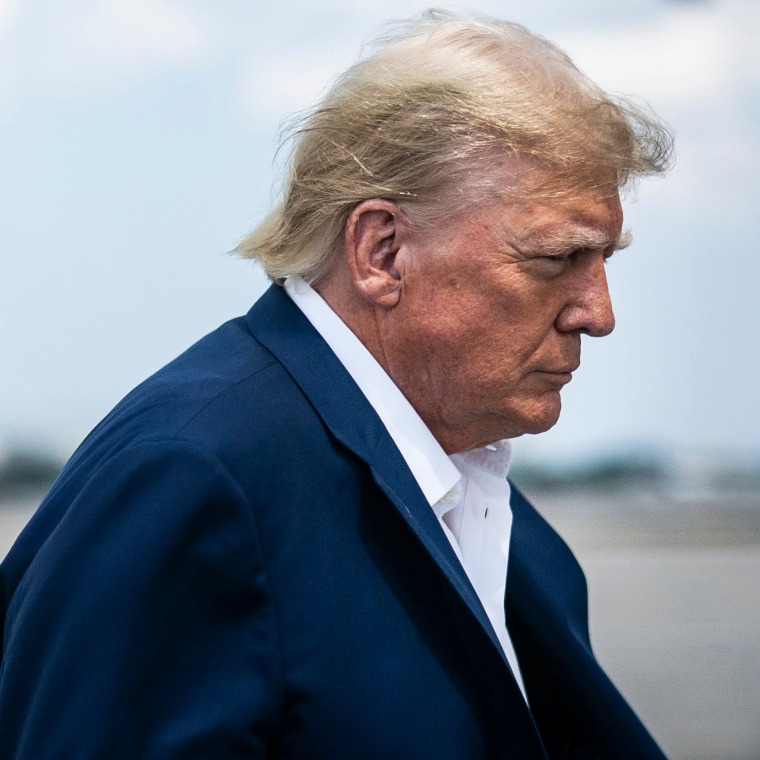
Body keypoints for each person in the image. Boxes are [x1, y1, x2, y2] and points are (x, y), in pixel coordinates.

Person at [0, 11, 673, 759]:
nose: (599, 314)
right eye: (557, 258)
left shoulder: (491, 515)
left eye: (605, 258)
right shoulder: (191, 476)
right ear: (381, 252)